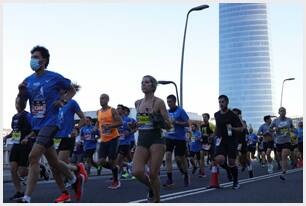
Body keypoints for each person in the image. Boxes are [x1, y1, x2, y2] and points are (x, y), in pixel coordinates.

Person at [16, 45, 85, 203]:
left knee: (33, 156)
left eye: (36, 57)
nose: (33, 60)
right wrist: (20, 94)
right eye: (31, 57)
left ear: (44, 60)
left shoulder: (54, 77)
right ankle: (74, 180)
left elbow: (72, 90)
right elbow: (21, 107)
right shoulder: (28, 80)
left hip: (53, 122)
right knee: (54, 162)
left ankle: (26, 197)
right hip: (37, 124)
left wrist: (62, 100)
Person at [131, 75, 171, 203]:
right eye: (142, 82)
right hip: (142, 138)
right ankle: (151, 188)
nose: (143, 84)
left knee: (153, 174)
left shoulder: (159, 102)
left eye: (147, 82)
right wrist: (133, 125)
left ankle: (157, 200)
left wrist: (159, 120)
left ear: (153, 86)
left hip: (156, 139)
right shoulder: (137, 103)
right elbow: (140, 123)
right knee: (137, 171)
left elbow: (168, 125)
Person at [3, 96, 33, 201]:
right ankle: (19, 192)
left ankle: (40, 170)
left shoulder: (28, 116)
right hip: (16, 145)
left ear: (24, 104)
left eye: (21, 101)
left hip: (25, 145)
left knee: (22, 172)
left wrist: (27, 137)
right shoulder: (14, 117)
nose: (18, 103)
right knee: (12, 169)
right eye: (17, 101)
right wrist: (7, 136)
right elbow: (15, 131)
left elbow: (34, 129)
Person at [211, 95, 243, 189]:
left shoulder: (232, 115)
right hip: (220, 140)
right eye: (219, 102)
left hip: (231, 141)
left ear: (227, 102)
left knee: (232, 162)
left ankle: (236, 181)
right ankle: (226, 172)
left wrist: (232, 128)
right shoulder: (216, 114)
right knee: (218, 159)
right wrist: (213, 136)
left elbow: (241, 128)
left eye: (222, 102)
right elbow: (217, 127)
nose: (221, 104)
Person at [163, 94, 190, 187]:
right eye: (167, 102)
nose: (168, 103)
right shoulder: (166, 112)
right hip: (169, 137)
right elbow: (165, 124)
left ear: (174, 102)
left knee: (179, 159)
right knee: (168, 156)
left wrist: (177, 122)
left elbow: (188, 124)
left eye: (170, 102)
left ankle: (185, 174)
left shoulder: (181, 111)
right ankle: (169, 179)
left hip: (180, 138)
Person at [96, 94, 123, 189]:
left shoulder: (112, 110)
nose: (101, 100)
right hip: (103, 139)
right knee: (101, 161)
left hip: (113, 138)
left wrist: (110, 126)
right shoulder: (98, 112)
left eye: (103, 98)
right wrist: (95, 130)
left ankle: (116, 181)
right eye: (100, 98)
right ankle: (116, 168)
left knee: (111, 161)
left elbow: (120, 122)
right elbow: (98, 123)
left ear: (107, 100)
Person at [269, 107, 294, 180]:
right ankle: (284, 164)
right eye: (281, 111)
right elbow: (270, 129)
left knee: (284, 155)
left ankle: (283, 172)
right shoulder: (275, 121)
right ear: (279, 112)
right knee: (279, 156)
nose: (283, 112)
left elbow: (292, 127)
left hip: (287, 140)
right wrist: (274, 129)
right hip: (278, 141)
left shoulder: (289, 120)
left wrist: (290, 131)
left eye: (284, 111)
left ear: (286, 112)